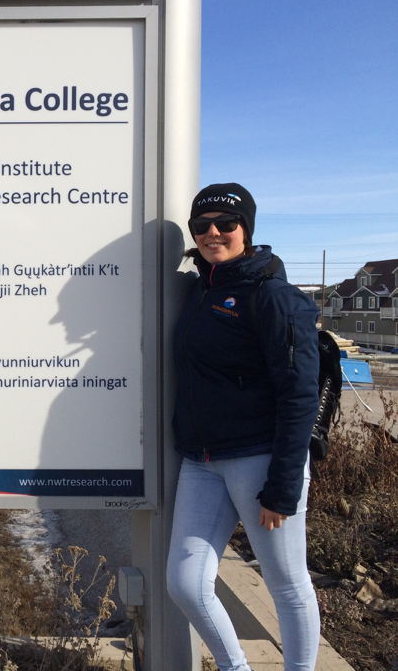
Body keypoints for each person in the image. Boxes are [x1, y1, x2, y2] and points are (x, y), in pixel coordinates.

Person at [166, 183, 321, 671]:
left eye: (225, 224)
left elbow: (299, 394)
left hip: (260, 461)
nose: (213, 233)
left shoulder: (272, 296)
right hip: (202, 461)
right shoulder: (198, 290)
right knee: (186, 584)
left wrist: (282, 486)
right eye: (201, 225)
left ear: (246, 230)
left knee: (288, 584)